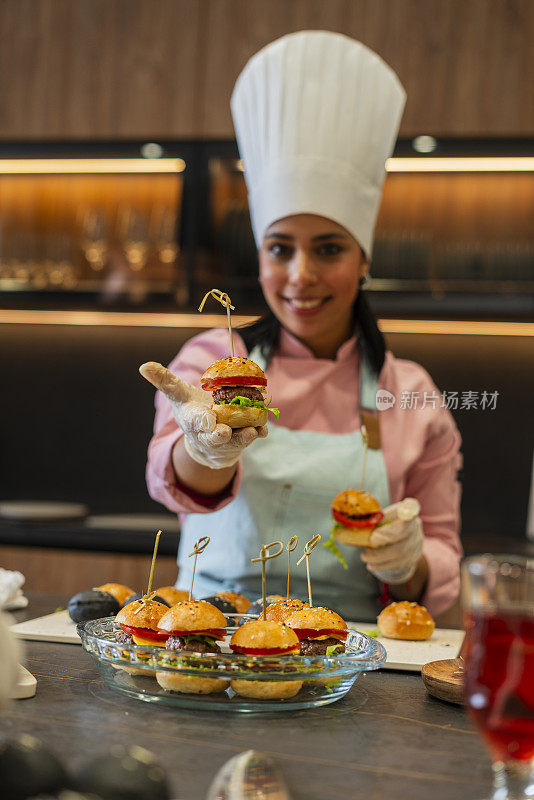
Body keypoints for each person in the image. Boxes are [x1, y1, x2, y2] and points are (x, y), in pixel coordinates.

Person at [144, 31, 462, 621]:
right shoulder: (212, 358)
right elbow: (172, 483)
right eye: (280, 249)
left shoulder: (411, 391)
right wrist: (203, 448)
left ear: (363, 259)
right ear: (260, 256)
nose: (300, 275)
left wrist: (408, 562)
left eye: (329, 249)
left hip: (346, 654)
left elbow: (441, 555)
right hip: (208, 640)